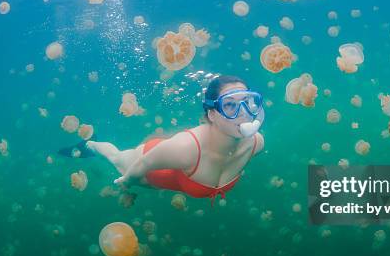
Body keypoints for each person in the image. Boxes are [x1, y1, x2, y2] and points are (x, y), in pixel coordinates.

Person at [86, 75, 265, 205]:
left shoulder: (256, 144)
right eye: (230, 105)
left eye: (248, 102)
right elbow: (144, 163)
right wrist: (127, 182)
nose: (242, 112)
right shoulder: (186, 148)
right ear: (212, 114)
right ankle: (90, 144)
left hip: (175, 159)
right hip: (150, 165)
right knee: (116, 157)